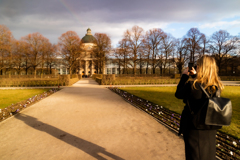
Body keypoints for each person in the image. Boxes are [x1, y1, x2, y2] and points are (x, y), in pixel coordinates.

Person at [175, 55, 224, 160]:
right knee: (208, 154)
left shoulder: (192, 85)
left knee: (194, 155)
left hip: (194, 127)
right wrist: (195, 76)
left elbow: (178, 94)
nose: (196, 67)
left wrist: (184, 76)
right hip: (210, 126)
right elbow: (202, 88)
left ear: (201, 68)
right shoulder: (217, 87)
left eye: (197, 65)